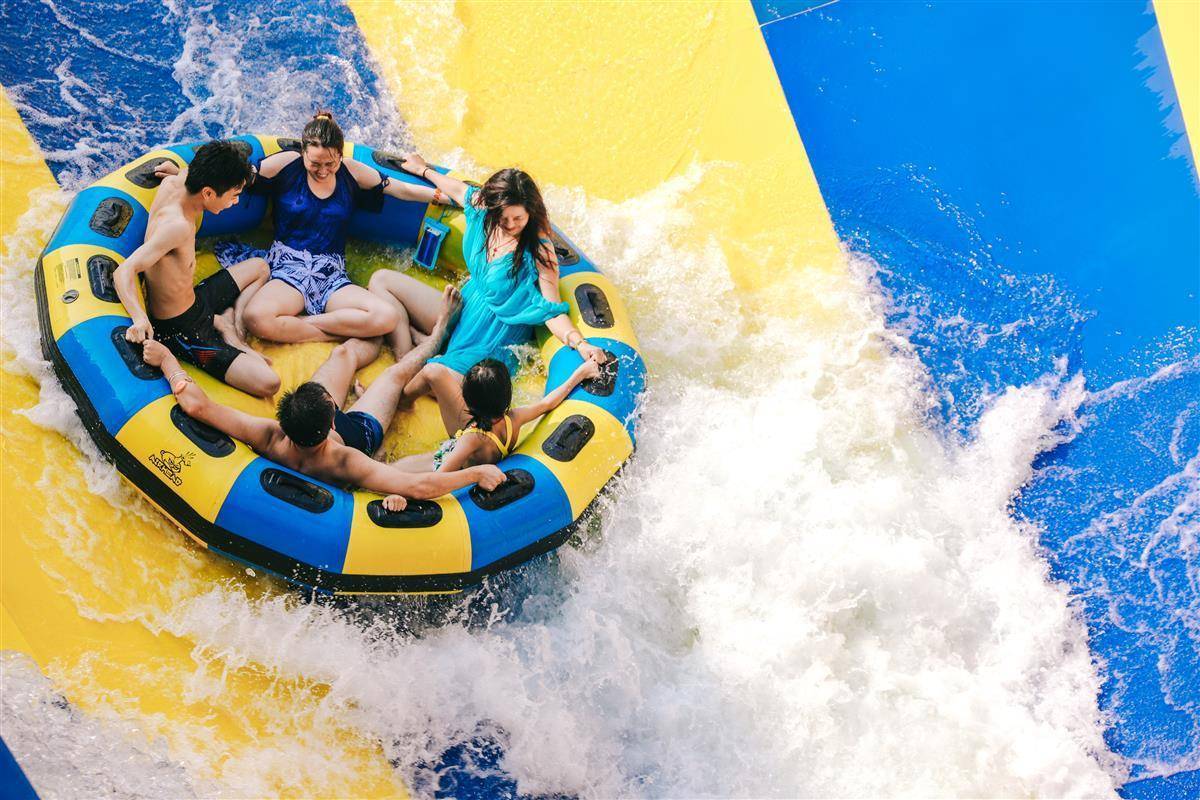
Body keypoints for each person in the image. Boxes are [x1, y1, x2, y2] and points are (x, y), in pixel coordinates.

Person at [140, 285, 506, 502]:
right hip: (360, 430)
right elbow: (419, 485)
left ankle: (374, 333)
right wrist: (474, 474)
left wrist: (168, 360)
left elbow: (197, 405)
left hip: (312, 428)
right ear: (332, 418)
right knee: (395, 376)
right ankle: (437, 332)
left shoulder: (269, 436)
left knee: (343, 354)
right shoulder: (347, 460)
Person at [368, 159, 608, 436]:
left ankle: (421, 357)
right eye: (503, 218)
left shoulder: (539, 251)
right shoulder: (482, 207)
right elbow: (459, 190)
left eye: (518, 218)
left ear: (530, 212)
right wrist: (423, 170)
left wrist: (580, 343)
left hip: (494, 337)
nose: (510, 225)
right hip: (464, 306)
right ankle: (409, 351)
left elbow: (551, 310)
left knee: (426, 377)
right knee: (381, 280)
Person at [215, 111, 444, 343]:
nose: (323, 171)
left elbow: (401, 189)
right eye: (315, 163)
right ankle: (334, 330)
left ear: (340, 156)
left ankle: (299, 324)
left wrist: (444, 195)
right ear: (303, 152)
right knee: (256, 317)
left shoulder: (352, 171)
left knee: (386, 316)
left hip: (331, 276)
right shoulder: (288, 163)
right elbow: (243, 174)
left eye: (330, 163)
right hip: (285, 269)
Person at [113, 140, 279, 398]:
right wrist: (139, 318)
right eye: (233, 195)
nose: (235, 202)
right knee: (269, 382)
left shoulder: (176, 181)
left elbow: (188, 171)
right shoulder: (177, 226)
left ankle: (231, 324)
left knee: (260, 267)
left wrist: (177, 169)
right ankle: (226, 331)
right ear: (209, 193)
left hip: (196, 300)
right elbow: (124, 271)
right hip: (181, 329)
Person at [392, 356, 600, 481]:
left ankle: (402, 403)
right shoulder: (514, 418)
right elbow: (547, 403)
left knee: (394, 470)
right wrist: (579, 374)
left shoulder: (472, 439)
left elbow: (439, 478)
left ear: (467, 400)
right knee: (434, 372)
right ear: (507, 394)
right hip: (482, 442)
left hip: (450, 459)